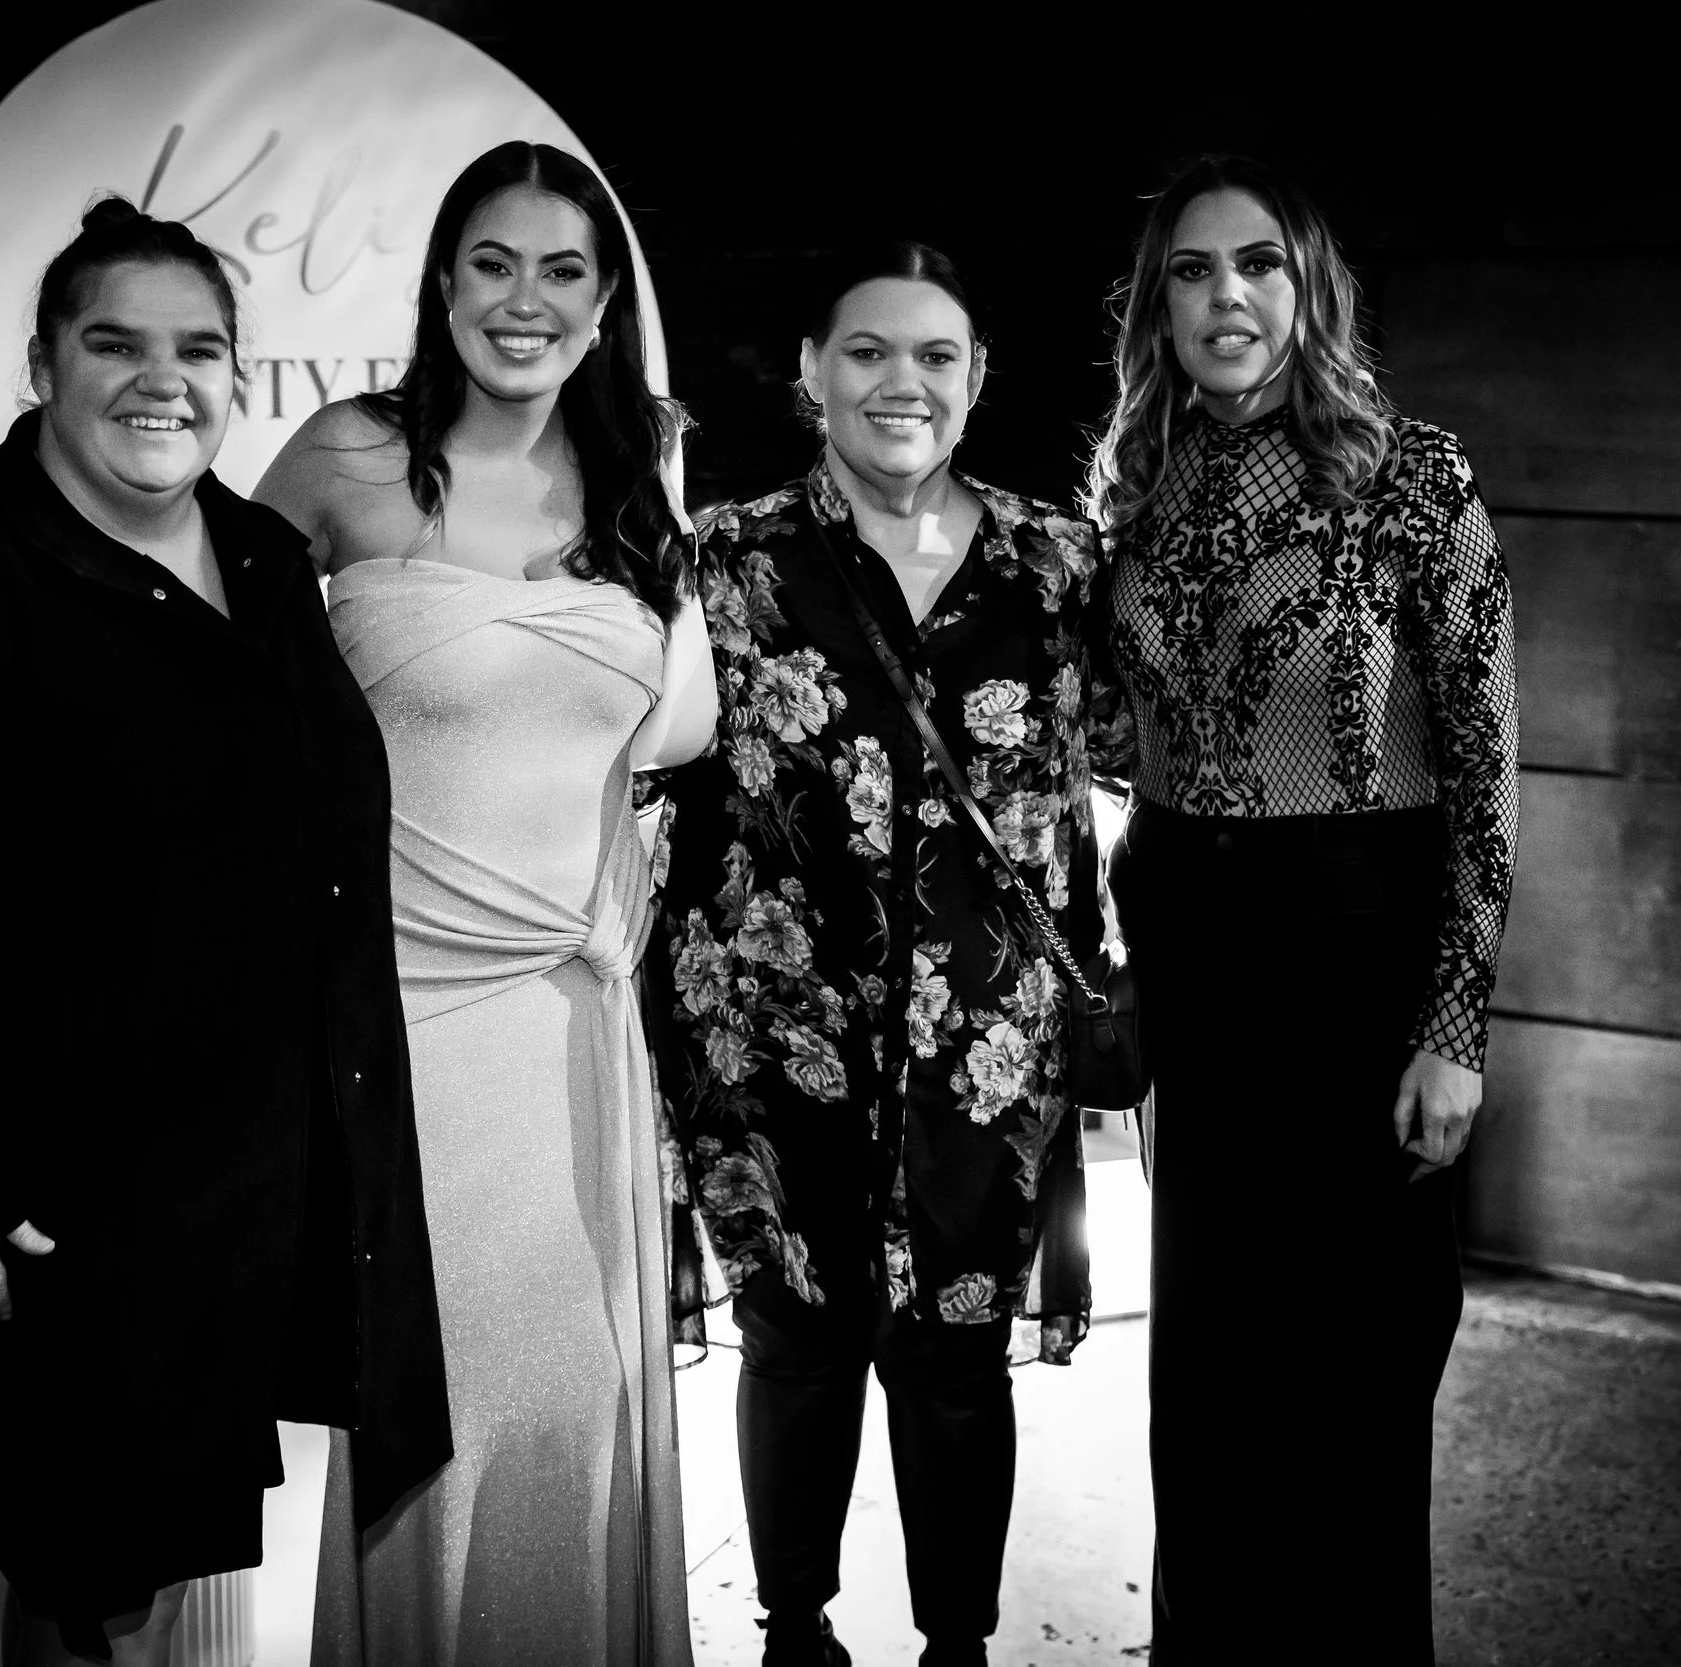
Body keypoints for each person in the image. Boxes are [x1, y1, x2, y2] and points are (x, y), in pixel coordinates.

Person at [0, 198, 450, 1667]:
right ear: (42, 364)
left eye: (198, 349)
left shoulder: (263, 561)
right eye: (114, 343)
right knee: (94, 1582)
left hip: (231, 1188)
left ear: (235, 374)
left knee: (143, 1570)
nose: (162, 379)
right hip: (53, 1195)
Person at [254, 140, 713, 1665]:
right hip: (410, 1031)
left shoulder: (642, 471)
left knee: (581, 1394)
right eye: (495, 262)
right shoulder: (345, 457)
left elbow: (659, 736)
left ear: (605, 302)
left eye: (563, 269)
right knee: (441, 1409)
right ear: (444, 280)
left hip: (578, 1021)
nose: (526, 299)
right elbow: (215, 690)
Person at [649, 241, 1123, 1667]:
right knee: (795, 1343)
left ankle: (957, 1647)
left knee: (959, 1355)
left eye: (933, 355)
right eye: (866, 351)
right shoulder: (723, 557)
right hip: (772, 1032)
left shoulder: (1057, 562)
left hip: (985, 1048)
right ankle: (794, 1629)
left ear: (976, 380)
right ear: (812, 372)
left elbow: (1118, 766)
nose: (898, 382)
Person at [1087, 155, 1519, 1664]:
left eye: (1258, 264)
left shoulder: (1415, 476)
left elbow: (1485, 768)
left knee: (1355, 1388)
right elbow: (1110, 731)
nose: (1228, 297)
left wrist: (1455, 1025)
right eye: (1192, 270)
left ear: (1309, 287)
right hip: (1197, 983)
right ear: (1157, 307)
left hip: (1362, 965)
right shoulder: (1133, 489)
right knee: (1207, 1389)